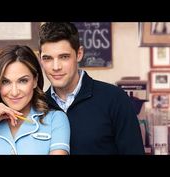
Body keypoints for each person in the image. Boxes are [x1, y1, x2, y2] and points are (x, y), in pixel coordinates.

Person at [38, 22, 145, 154]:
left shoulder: (115, 99)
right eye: (47, 58)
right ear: (41, 60)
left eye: (64, 57)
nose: (56, 67)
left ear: (79, 54)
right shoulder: (38, 106)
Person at [0, 45, 70, 155]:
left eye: (23, 81)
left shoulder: (56, 120)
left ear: (35, 80)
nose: (14, 92)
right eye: (5, 82)